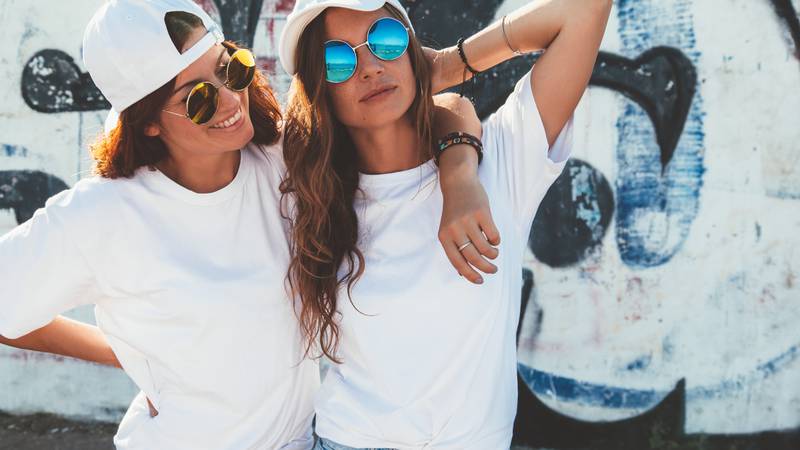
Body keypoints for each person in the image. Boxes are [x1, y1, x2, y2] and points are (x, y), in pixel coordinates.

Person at [0, 0, 491, 448]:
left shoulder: (281, 159)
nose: (231, 99)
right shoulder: (103, 215)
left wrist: (458, 172)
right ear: (147, 121)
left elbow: (442, 106)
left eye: (229, 69)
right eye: (198, 99)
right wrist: (132, 357)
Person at [277, 0, 612, 448]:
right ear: (320, 88)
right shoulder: (311, 196)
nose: (370, 68)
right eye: (337, 59)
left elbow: (583, 12)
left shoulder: (502, 163)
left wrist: (455, 64)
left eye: (386, 41)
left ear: (413, 50)